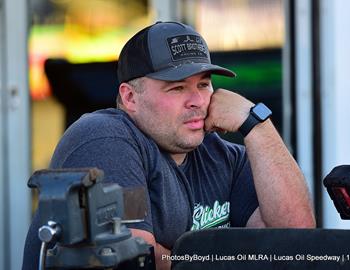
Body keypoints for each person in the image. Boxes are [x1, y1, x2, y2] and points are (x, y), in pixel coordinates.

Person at [23, 21, 315, 270]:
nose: (198, 101)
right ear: (130, 98)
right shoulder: (103, 138)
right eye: (177, 88)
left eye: (203, 84)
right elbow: (136, 257)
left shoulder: (222, 154)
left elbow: (296, 240)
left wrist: (256, 125)